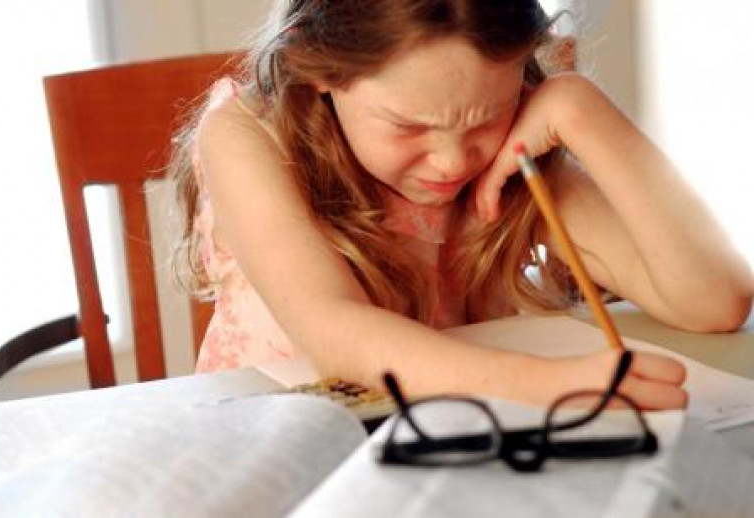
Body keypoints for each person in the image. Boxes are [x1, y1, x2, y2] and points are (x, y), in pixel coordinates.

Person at [169, 0, 753, 410]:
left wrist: (581, 109)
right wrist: (552, 386)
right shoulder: (248, 136)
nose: (452, 162)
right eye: (409, 126)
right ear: (317, 68)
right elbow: (336, 333)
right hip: (280, 451)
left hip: (456, 437)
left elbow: (714, 299)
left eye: (486, 117)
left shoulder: (520, 153)